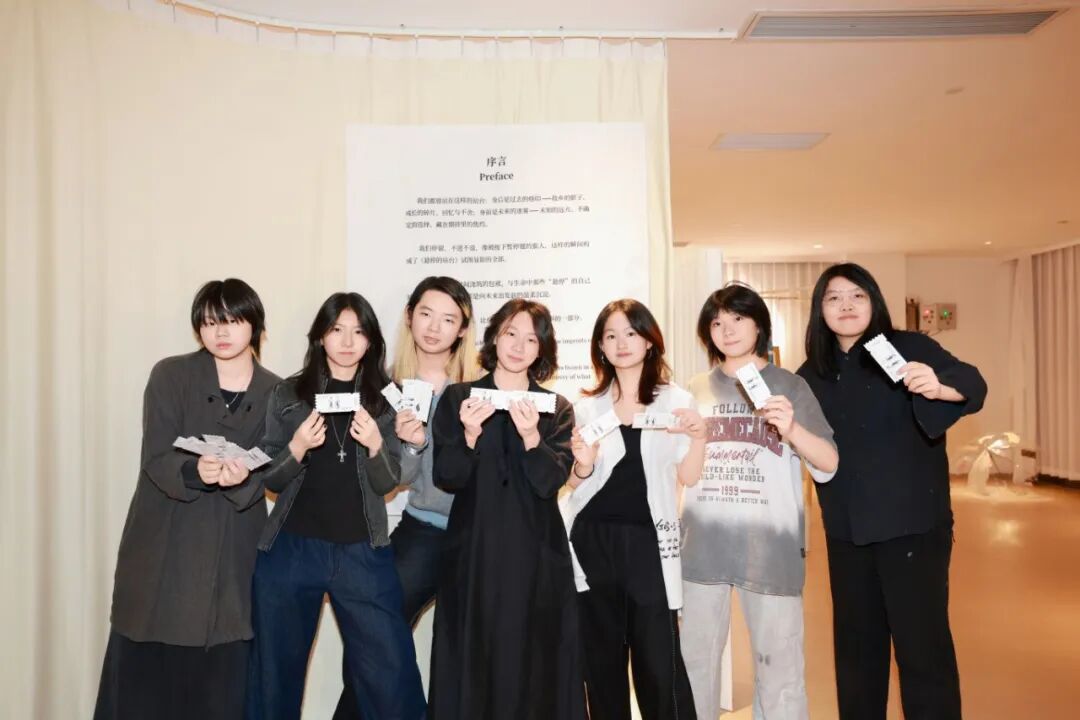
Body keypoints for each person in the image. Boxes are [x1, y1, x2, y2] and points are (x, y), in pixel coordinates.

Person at [797, 264, 985, 720]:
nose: (845, 305)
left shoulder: (908, 347)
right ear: (820, 310)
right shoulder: (812, 373)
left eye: (856, 295)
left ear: (874, 302)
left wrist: (940, 388)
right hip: (847, 531)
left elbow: (973, 383)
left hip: (913, 526)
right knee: (856, 654)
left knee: (923, 650)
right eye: (833, 297)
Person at [95, 279, 279, 720]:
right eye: (210, 322)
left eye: (233, 320)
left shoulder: (277, 392)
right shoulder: (170, 375)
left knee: (220, 682)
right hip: (167, 540)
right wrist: (196, 471)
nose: (221, 332)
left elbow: (276, 467)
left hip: (232, 550)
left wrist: (244, 478)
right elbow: (156, 455)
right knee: (145, 684)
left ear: (255, 325)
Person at [247, 292, 425, 720]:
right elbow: (270, 478)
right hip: (290, 550)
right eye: (336, 330)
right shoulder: (288, 393)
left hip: (362, 551)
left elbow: (389, 482)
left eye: (358, 332)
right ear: (320, 337)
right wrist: (296, 448)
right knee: (273, 676)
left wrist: (377, 444)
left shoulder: (389, 398)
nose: (347, 342)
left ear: (371, 341)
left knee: (391, 672)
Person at [680, 283, 838, 720]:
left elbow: (829, 463)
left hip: (770, 549)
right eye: (717, 322)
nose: (727, 330)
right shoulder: (694, 388)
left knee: (780, 670)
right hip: (701, 548)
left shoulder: (790, 386)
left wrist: (792, 429)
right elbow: (680, 468)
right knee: (694, 666)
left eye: (738, 319)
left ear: (759, 326)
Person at [428, 298, 584, 720]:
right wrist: (469, 434)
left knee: (532, 658)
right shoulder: (460, 398)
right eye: (511, 334)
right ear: (495, 337)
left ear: (541, 350)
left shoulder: (556, 408)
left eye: (531, 339)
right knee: (472, 654)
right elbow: (447, 476)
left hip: (536, 554)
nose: (518, 346)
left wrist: (532, 437)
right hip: (473, 551)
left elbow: (549, 483)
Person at [333, 276, 478, 720]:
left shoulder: (480, 386)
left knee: (462, 658)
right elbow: (398, 478)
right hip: (422, 530)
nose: (434, 327)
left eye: (448, 319)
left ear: (462, 329)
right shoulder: (387, 387)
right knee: (373, 639)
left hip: (477, 537)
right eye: (426, 314)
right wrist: (411, 444)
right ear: (409, 316)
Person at [561, 299, 704, 720]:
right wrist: (583, 465)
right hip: (591, 541)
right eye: (610, 335)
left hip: (648, 542)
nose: (621, 343)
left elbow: (688, 476)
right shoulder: (586, 407)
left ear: (649, 341)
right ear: (600, 347)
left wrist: (699, 437)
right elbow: (571, 484)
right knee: (601, 664)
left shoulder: (676, 401)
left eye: (630, 333)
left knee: (659, 665)